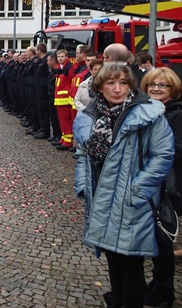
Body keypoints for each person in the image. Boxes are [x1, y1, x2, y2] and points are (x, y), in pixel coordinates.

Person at [73, 63, 174, 308]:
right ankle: (117, 300)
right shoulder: (91, 114)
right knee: (112, 255)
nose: (117, 89)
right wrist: (83, 185)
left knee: (130, 261)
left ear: (131, 85)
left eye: (123, 83)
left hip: (129, 199)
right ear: (100, 86)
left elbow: (162, 155)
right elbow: (81, 153)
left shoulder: (147, 114)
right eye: (110, 83)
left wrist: (136, 191)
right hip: (100, 195)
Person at [140, 67, 182, 307]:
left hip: (169, 185)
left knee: (164, 239)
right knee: (155, 238)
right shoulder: (148, 111)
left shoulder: (176, 114)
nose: (156, 88)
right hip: (151, 183)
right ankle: (158, 282)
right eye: (152, 84)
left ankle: (165, 289)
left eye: (163, 85)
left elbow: (176, 150)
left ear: (172, 89)